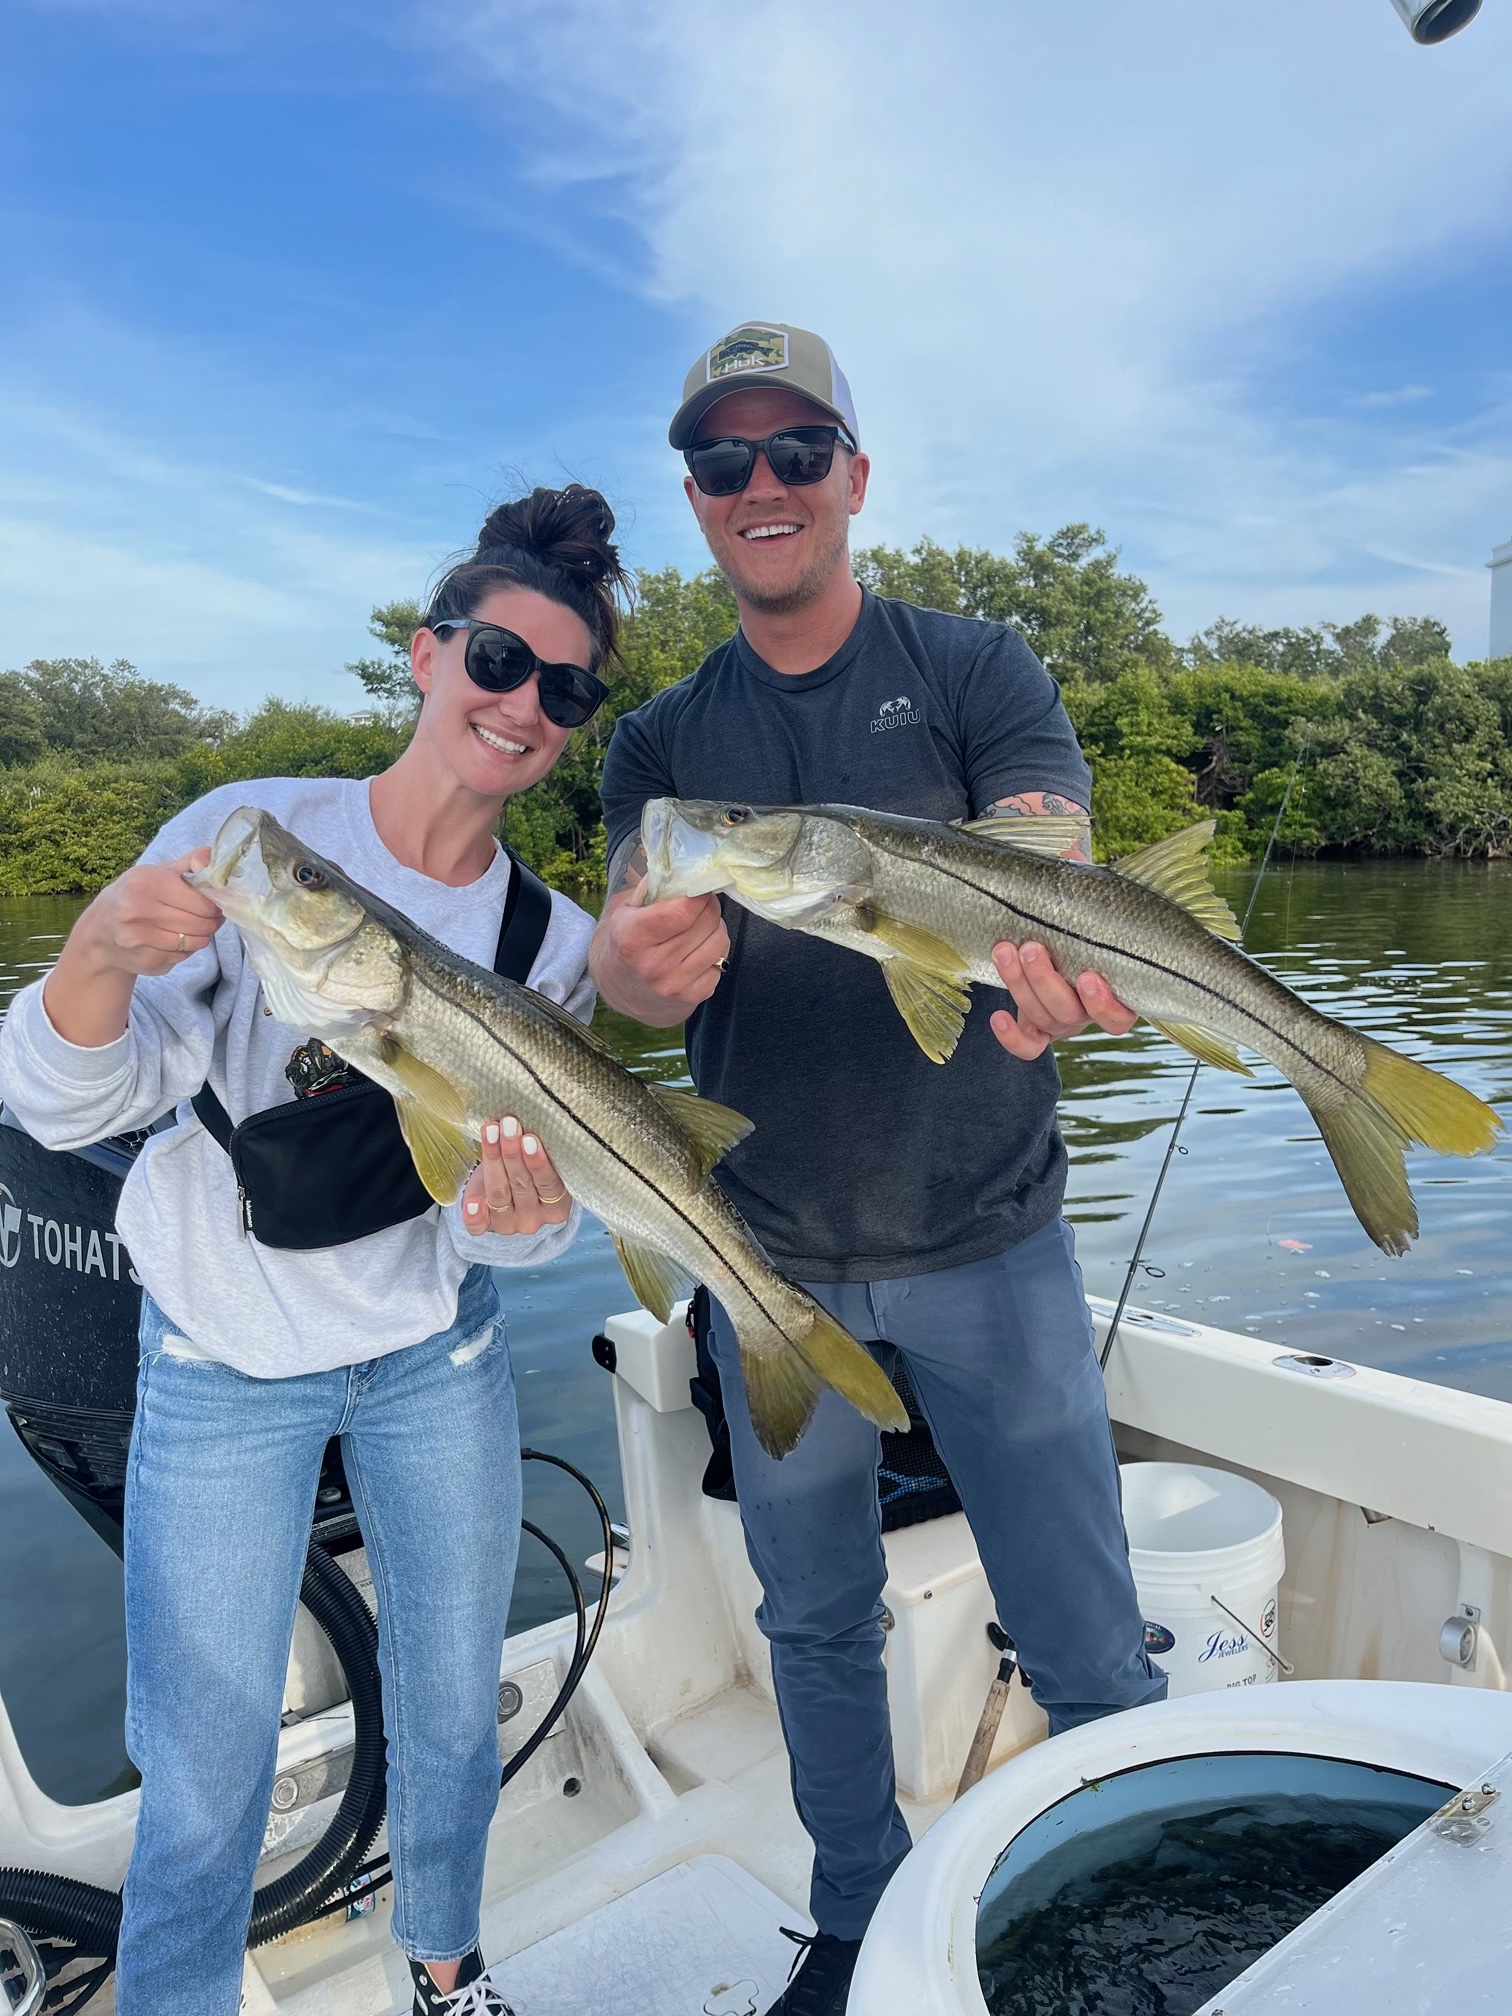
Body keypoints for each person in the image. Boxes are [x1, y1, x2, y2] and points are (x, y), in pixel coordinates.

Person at [590, 324, 1167, 2015]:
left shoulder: (975, 665)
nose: (759, 488)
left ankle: (1122, 1909)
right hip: (764, 1255)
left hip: (995, 1239)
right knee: (814, 1618)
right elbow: (626, 951)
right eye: (722, 463)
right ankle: (856, 1923)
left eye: (792, 454)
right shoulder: (659, 738)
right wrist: (640, 974)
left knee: (1083, 1625)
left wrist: (1048, 923)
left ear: (853, 474)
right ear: (695, 500)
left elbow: (1049, 833)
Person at [0, 485, 630, 2016]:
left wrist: (529, 1224)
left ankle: (448, 1964)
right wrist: (90, 953)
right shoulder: (256, 840)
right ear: (426, 657)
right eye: (496, 657)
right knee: (205, 1763)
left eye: (566, 686)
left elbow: (525, 1221)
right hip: (222, 1365)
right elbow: (72, 1092)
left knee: (453, 1709)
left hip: (439, 1360)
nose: (523, 703)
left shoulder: (549, 939)